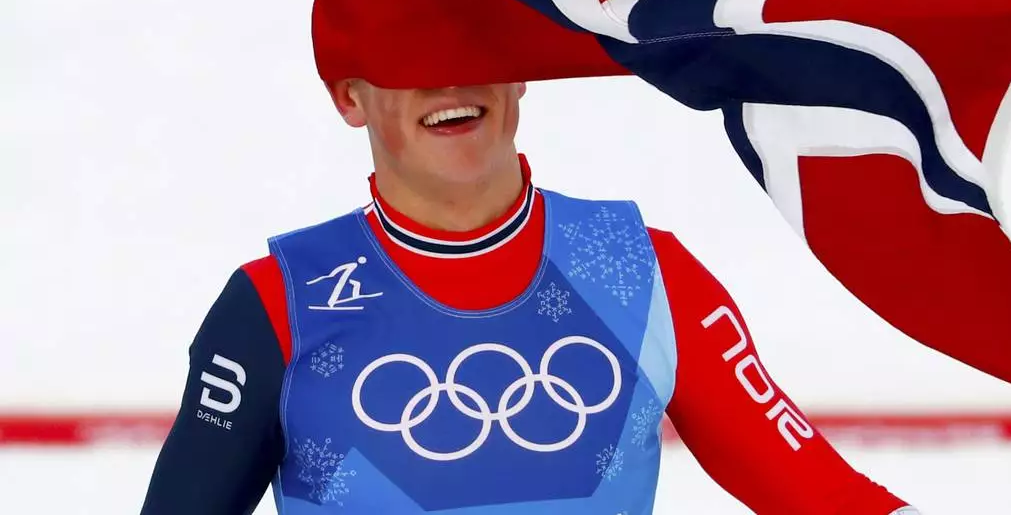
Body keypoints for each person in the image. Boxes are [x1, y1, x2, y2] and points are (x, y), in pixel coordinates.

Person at [140, 73, 918, 514]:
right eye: (406, 52)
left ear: (518, 73)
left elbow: (821, 495)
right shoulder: (279, 301)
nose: (447, 76)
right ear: (349, 95)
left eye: (471, 43)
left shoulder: (641, 269)